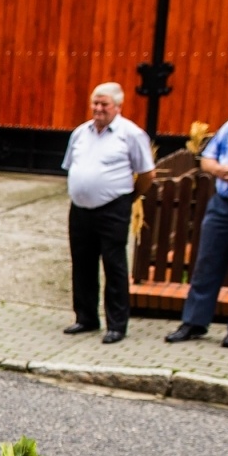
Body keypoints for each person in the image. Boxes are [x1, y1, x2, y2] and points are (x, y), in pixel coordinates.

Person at [61, 82, 155, 344]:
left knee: (114, 265)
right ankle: (86, 317)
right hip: (80, 208)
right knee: (82, 263)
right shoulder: (80, 133)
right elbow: (71, 165)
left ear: (118, 107)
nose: (99, 109)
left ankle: (116, 324)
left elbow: (147, 174)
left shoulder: (131, 134)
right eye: (95, 103)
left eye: (105, 104)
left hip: (113, 207)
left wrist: (130, 197)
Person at [164, 86, 228, 350]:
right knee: (207, 262)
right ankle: (194, 322)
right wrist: (220, 169)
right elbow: (207, 159)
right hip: (223, 205)